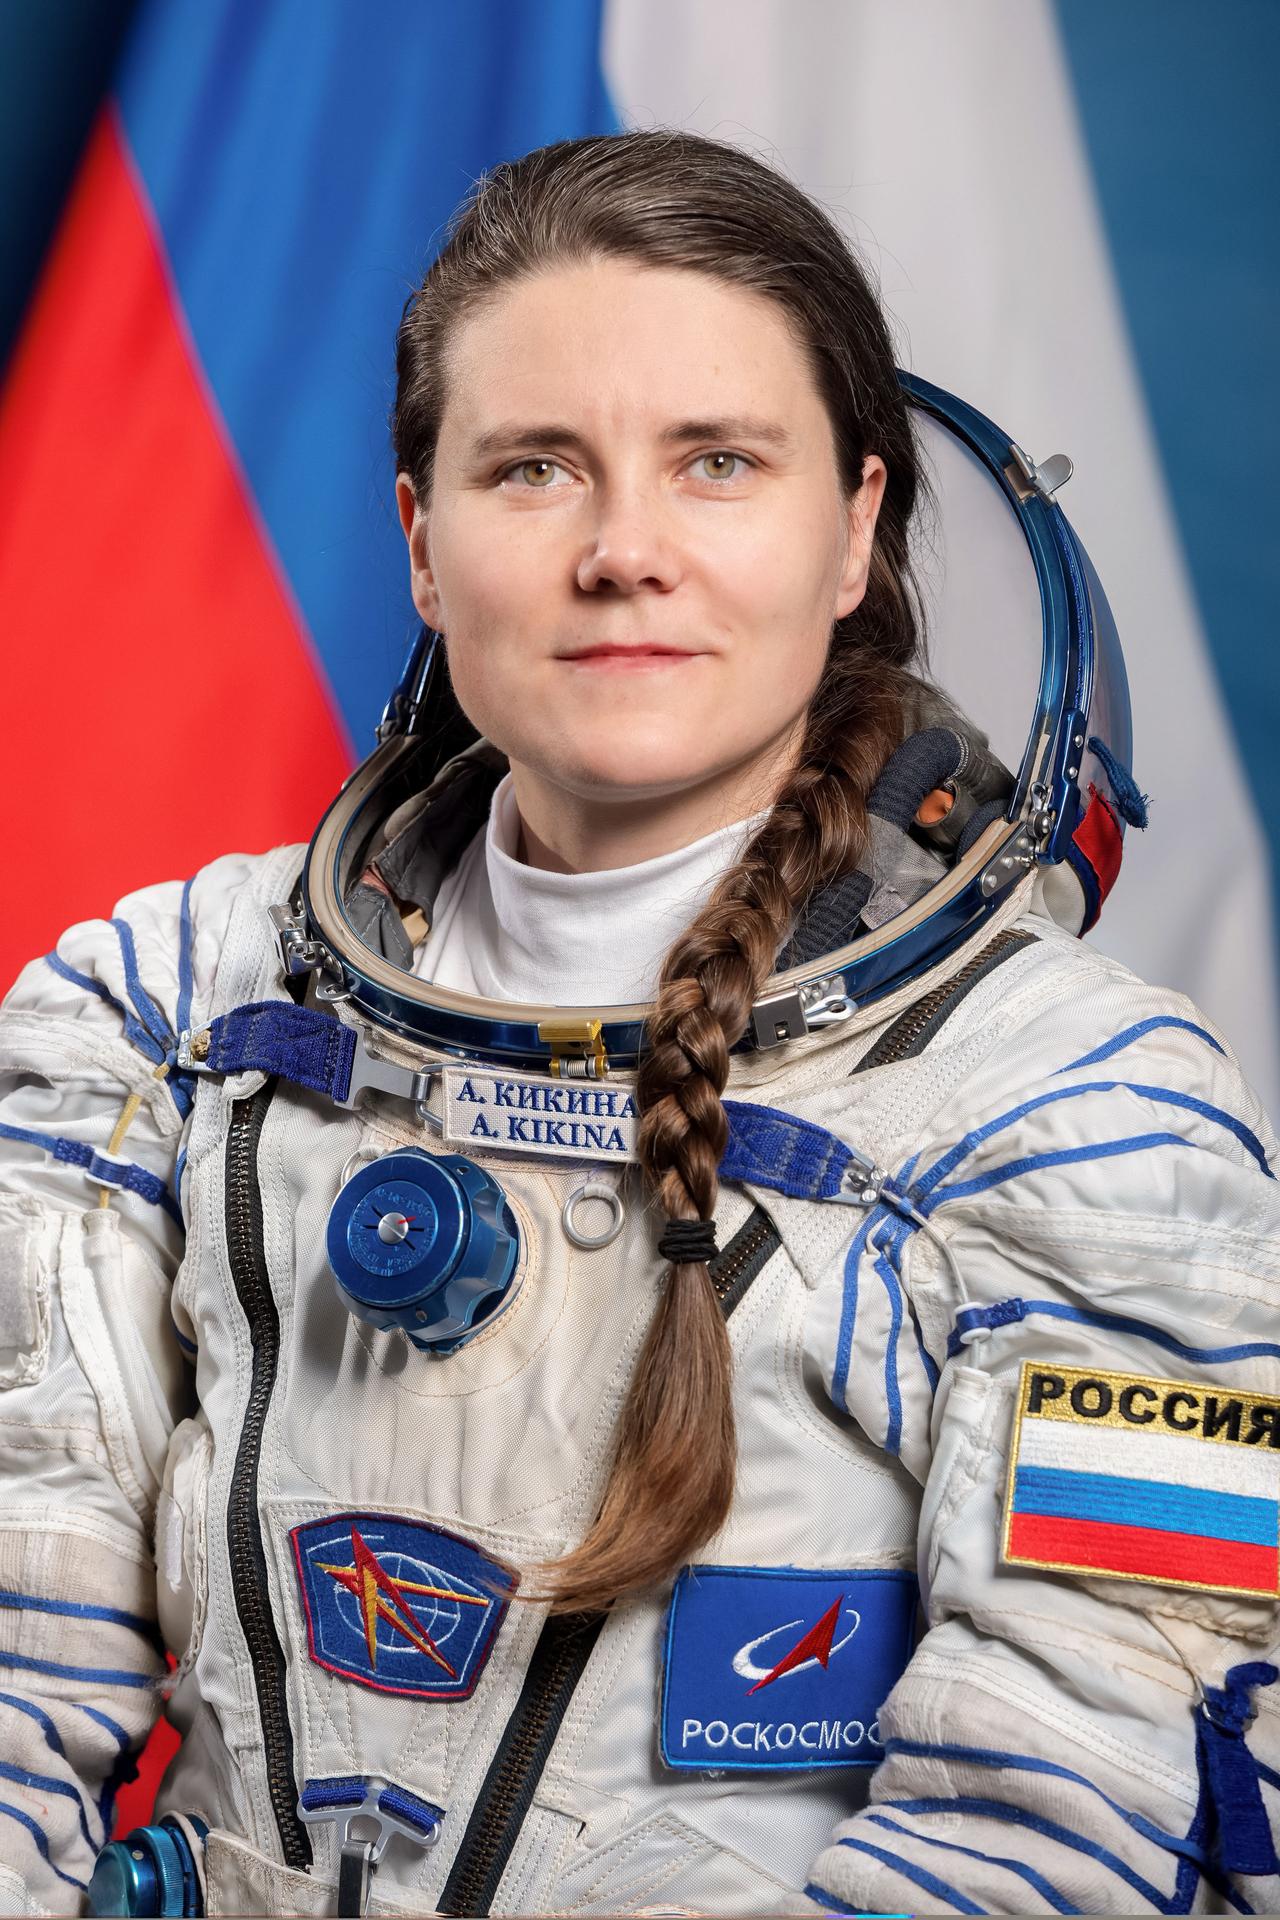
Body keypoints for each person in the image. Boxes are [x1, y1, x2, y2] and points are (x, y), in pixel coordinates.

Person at [1, 128, 1278, 1920]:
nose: (624, 552)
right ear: (423, 546)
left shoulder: (1083, 1125)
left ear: (854, 532)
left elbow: (1065, 1839)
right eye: (533, 468)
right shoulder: (164, 1015)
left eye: (716, 465)